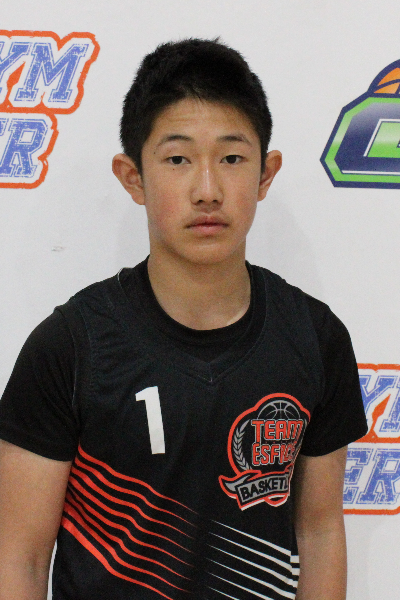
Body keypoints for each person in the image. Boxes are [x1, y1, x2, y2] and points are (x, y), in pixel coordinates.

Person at [0, 38, 367, 600]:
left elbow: (319, 535)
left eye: (232, 158)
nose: (207, 190)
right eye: (177, 159)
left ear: (265, 175)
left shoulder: (316, 339)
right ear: (133, 178)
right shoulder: (69, 347)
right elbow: (19, 558)